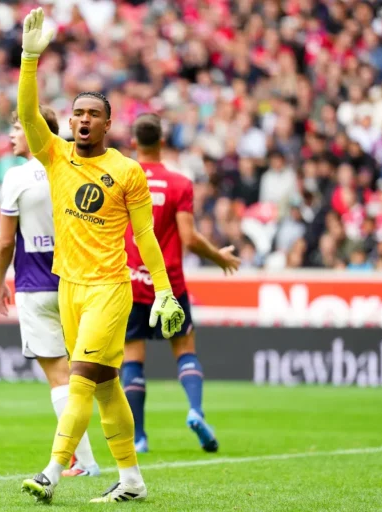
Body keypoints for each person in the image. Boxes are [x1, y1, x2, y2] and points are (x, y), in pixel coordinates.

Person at [17, 8, 185, 504]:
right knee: (108, 385)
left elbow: (146, 236)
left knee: (81, 378)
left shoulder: (128, 171)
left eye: (93, 114)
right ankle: (132, 480)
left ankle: (51, 470)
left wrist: (164, 290)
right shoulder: (55, 155)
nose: (84, 120)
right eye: (78, 114)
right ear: (70, 121)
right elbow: (28, 116)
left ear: (108, 123)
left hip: (110, 289)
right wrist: (29, 60)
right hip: (68, 286)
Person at [122, 114, 241, 455]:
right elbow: (188, 238)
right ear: (162, 142)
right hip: (169, 284)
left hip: (130, 282)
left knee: (132, 359)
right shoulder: (179, 183)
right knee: (185, 352)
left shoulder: (122, 178)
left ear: (133, 142)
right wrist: (218, 256)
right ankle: (195, 410)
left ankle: (139, 437)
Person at [0, 108, 100, 478]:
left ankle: (85, 462)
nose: (11, 134)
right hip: (76, 283)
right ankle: (94, 459)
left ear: (37, 131)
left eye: (18, 126)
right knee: (81, 374)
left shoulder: (18, 177)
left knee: (59, 377)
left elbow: (6, 240)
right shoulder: (73, 167)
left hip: (36, 287)